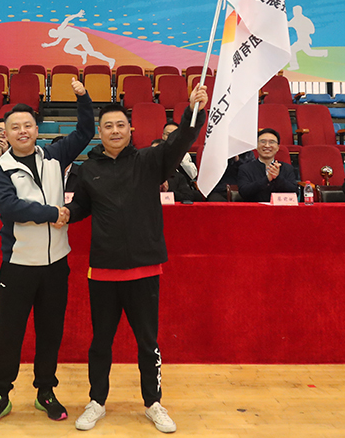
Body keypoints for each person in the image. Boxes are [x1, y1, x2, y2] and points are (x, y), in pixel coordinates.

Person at [67, 84, 208, 434]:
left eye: (120, 125)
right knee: (101, 342)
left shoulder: (150, 161)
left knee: (148, 342)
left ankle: (153, 402)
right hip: (103, 271)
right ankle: (97, 401)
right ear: (100, 133)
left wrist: (193, 110)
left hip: (144, 269)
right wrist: (62, 213)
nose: (115, 131)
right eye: (108, 126)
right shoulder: (87, 169)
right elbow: (80, 207)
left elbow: (180, 141)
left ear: (130, 129)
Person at [0, 78, 94, 430]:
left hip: (56, 265)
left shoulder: (55, 156)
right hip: (18, 266)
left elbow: (86, 132)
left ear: (36, 129)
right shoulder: (0, 170)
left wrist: (83, 97)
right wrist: (52, 213)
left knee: (50, 331)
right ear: (6, 134)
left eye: (28, 125)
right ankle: (0, 393)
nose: (22, 131)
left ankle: (45, 391)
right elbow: (10, 207)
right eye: (15, 127)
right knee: (9, 332)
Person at [236, 128, 298, 202]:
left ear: (278, 147)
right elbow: (244, 192)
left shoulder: (287, 168)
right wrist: (267, 179)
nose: (267, 145)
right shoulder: (245, 168)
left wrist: (277, 178)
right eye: (263, 142)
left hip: (280, 208)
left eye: (272, 142)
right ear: (256, 146)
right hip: (255, 208)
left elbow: (295, 192)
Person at [40, 9, 115, 69]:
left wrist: (77, 15)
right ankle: (83, 53)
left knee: (91, 53)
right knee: (67, 49)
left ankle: (110, 60)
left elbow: (67, 19)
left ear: (55, 32)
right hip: (76, 38)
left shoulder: (61, 28)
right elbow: (56, 43)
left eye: (54, 36)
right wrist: (47, 45)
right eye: (54, 37)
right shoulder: (60, 35)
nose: (55, 37)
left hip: (81, 36)